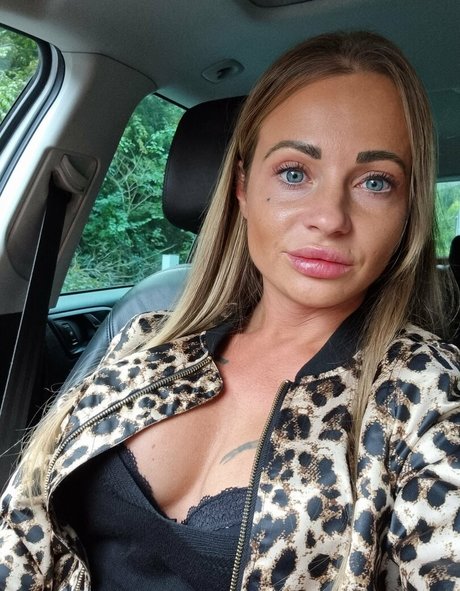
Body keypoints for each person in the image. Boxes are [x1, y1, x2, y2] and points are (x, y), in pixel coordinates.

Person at [1, 30, 459, 591]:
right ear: (242, 186)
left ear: (408, 209)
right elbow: (21, 534)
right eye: (295, 172)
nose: (330, 218)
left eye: (375, 182)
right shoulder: (146, 340)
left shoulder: (427, 393)